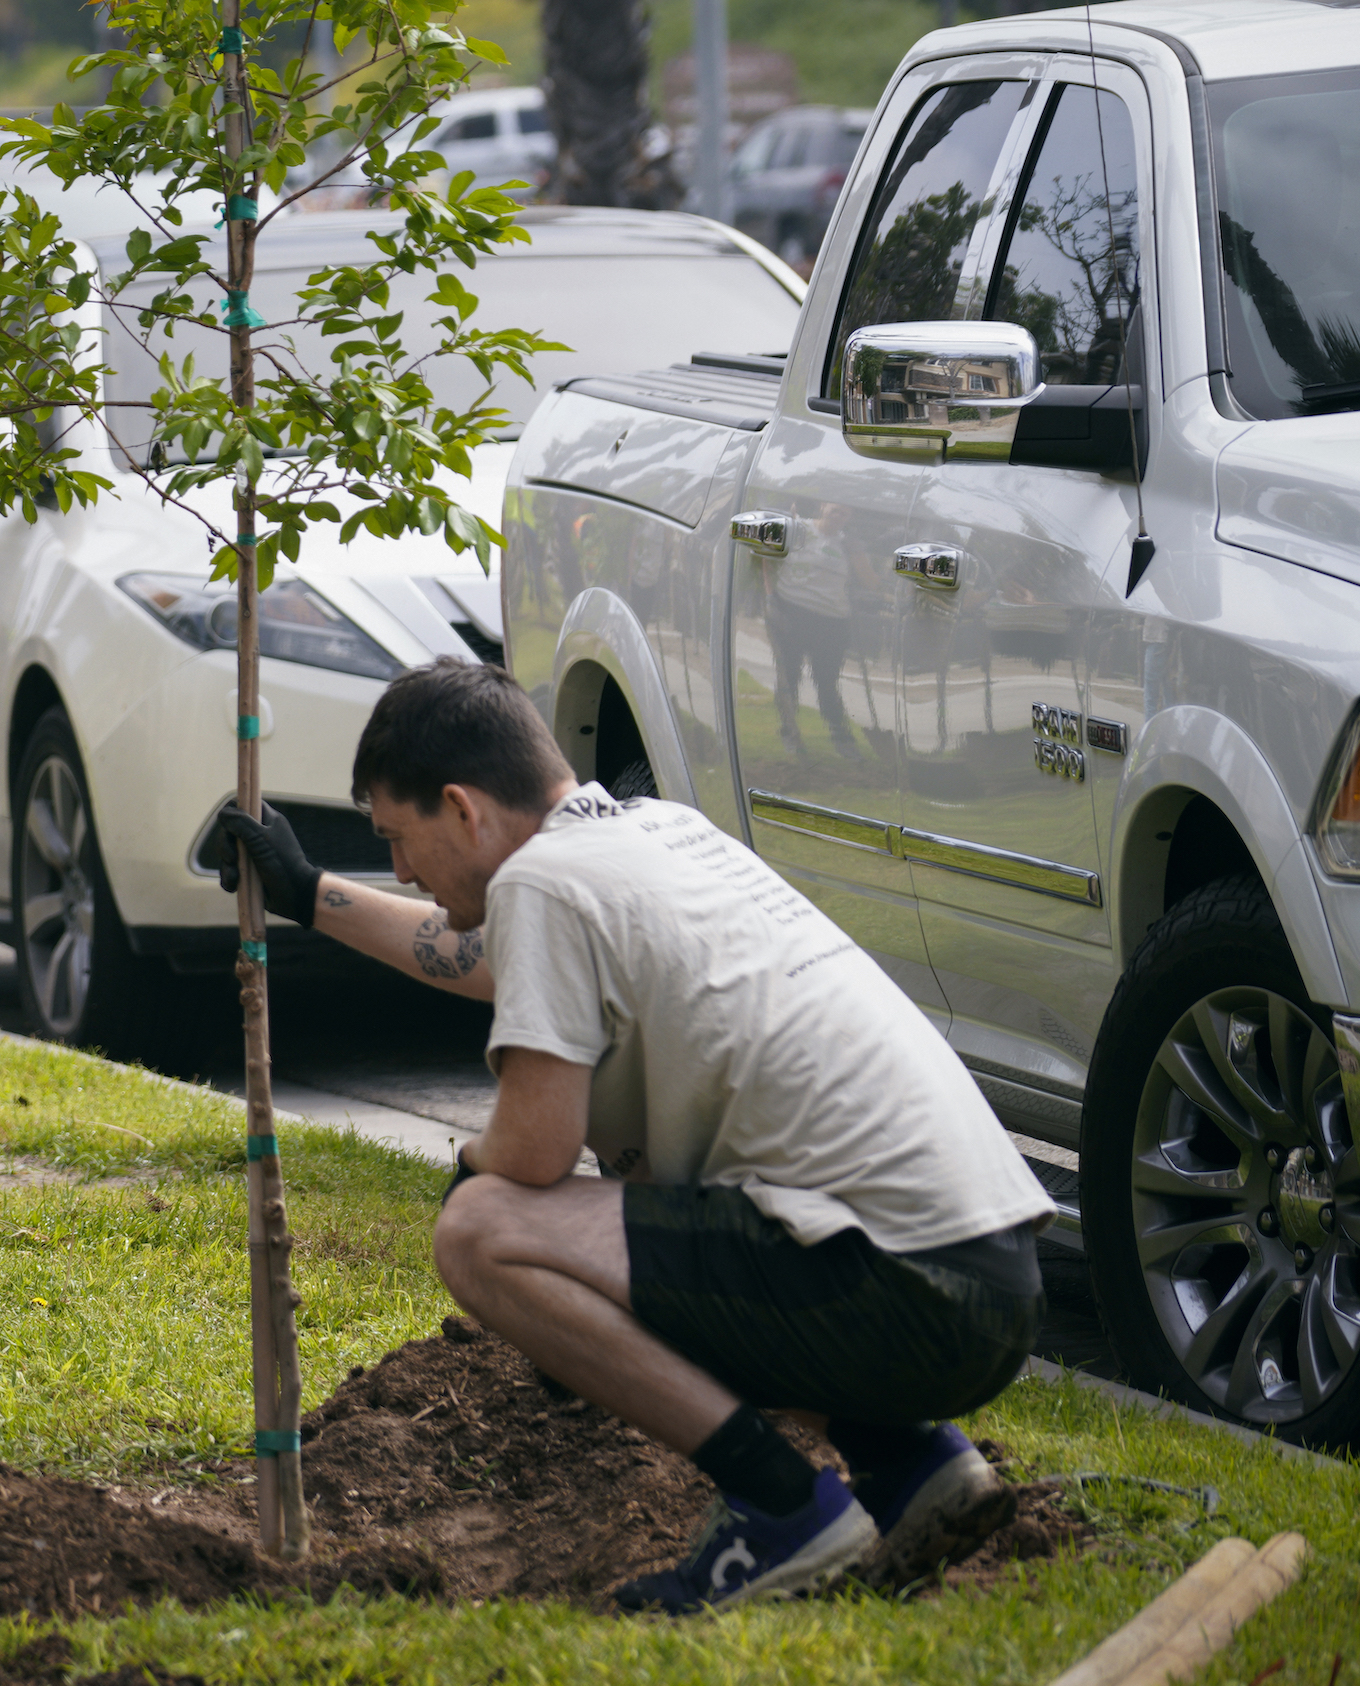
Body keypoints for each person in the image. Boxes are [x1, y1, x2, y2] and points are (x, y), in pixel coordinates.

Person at [215, 660, 1052, 1613]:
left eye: (397, 840)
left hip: (904, 1295)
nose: (400, 870)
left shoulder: (543, 888)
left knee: (482, 1229)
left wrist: (471, 1175)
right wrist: (310, 890)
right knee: (667, 1222)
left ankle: (783, 1507)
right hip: (990, 1283)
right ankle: (911, 1467)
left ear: (463, 808)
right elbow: (483, 957)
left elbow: (533, 1150)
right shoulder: (655, 836)